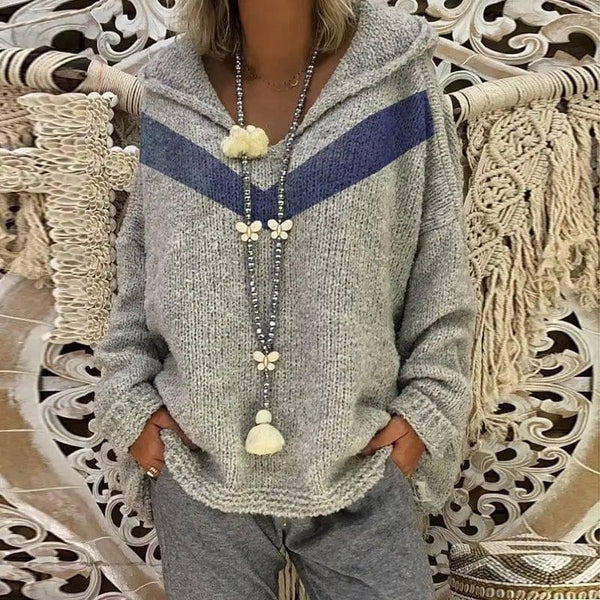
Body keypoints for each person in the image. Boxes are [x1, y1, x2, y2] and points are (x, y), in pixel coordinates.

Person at [92, 0, 477, 597]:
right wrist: (131, 404)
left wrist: (428, 411)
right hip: (195, 463)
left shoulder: (395, 80)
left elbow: (439, 259)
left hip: (363, 455)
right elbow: (141, 263)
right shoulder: (173, 87)